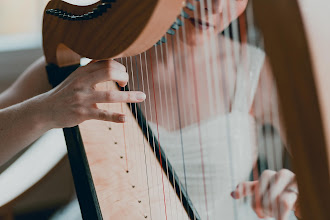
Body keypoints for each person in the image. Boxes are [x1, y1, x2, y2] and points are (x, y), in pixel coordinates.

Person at [0, 0, 300, 220]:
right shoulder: (83, 63)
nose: (215, 6)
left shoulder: (257, 73)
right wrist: (46, 110)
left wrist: (294, 194)